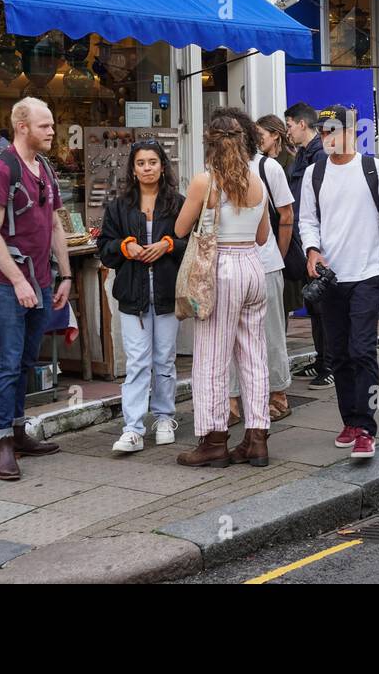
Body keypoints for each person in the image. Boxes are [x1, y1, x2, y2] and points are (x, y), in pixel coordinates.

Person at [298, 105, 379, 461]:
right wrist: (312, 251)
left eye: (334, 130)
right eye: (323, 131)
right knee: (339, 354)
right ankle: (349, 420)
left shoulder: (372, 169)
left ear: (351, 132)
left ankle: (366, 427)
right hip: (331, 279)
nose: (328, 137)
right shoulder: (314, 172)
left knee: (363, 350)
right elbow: (307, 221)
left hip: (367, 273)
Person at [0, 97, 70, 481]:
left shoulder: (44, 167)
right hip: (8, 283)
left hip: (42, 281)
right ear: (22, 126)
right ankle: (2, 443)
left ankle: (18, 431)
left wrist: (64, 275)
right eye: (45, 126)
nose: (52, 131)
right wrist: (17, 281)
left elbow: (55, 223)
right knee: (8, 362)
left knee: (27, 360)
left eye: (51, 125)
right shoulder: (0, 170)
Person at [173, 115, 271, 469]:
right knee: (253, 355)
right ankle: (257, 438)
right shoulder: (257, 181)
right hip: (252, 267)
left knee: (212, 358)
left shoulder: (206, 182)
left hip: (220, 268)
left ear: (210, 143)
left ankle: (214, 441)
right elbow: (262, 236)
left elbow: (181, 227)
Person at [99, 141, 186, 453]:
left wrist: (168, 245)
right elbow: (105, 248)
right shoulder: (119, 206)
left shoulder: (177, 203)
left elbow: (191, 242)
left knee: (164, 359)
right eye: (141, 163)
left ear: (163, 166)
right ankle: (133, 427)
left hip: (166, 292)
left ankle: (164, 417)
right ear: (132, 169)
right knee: (137, 362)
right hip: (132, 295)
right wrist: (125, 247)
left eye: (152, 162)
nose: (147, 168)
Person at [219, 108, 295, 426]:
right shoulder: (216, 169)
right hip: (227, 266)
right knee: (229, 337)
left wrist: (277, 254)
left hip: (265, 264)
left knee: (270, 333)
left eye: (234, 135)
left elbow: (286, 215)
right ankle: (234, 399)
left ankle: (278, 394)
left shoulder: (268, 167)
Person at [284, 102, 332, 389]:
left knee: (324, 305)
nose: (288, 131)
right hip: (305, 236)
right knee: (314, 304)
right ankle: (321, 359)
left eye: (289, 125)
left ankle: (331, 365)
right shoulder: (302, 154)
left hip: (318, 240)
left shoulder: (320, 156)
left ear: (302, 124)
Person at [257, 114, 304, 319]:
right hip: (269, 244)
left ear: (275, 135)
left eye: (261, 135)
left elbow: (288, 213)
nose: (256, 140)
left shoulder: (286, 164)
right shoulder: (263, 162)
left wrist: (281, 252)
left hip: (282, 241)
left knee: (279, 311)